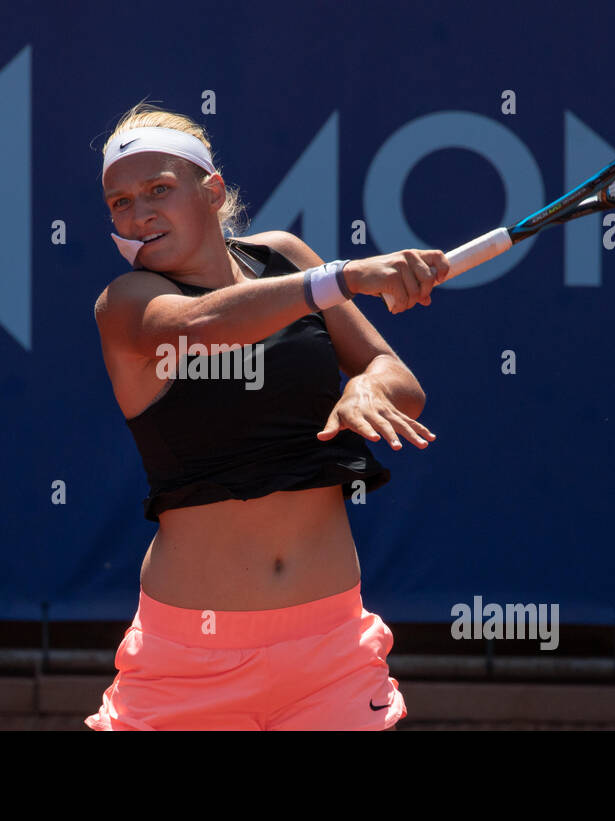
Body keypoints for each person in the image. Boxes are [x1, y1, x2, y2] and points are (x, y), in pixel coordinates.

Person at [87, 103, 447, 730]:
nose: (138, 212)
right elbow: (202, 325)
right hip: (188, 663)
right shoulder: (125, 303)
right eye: (119, 201)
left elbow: (399, 380)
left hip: (332, 649)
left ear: (212, 190)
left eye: (158, 190)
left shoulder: (284, 256)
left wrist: (368, 388)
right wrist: (343, 277)